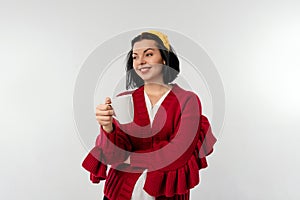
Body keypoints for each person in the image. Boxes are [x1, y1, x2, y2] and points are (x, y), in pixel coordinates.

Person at [82, 30, 217, 200]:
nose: (140, 62)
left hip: (166, 194)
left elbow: (178, 153)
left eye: (149, 54)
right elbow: (114, 156)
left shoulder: (187, 100)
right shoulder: (124, 100)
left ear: (164, 58)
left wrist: (131, 159)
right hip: (119, 193)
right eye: (135, 57)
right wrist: (108, 128)